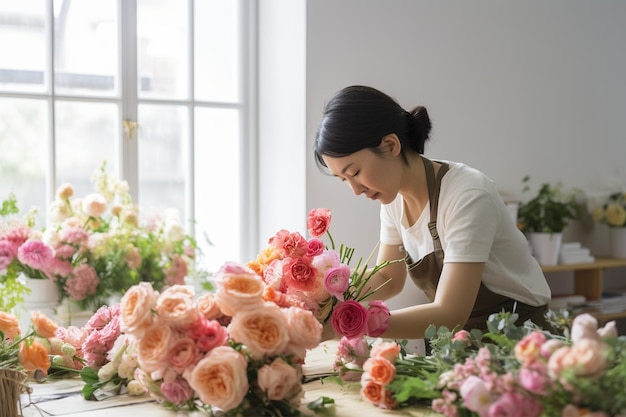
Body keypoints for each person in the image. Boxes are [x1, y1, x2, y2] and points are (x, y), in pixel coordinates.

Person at [314, 85, 554, 340]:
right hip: (461, 342)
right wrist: (321, 296)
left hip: (521, 340)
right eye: (344, 180)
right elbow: (387, 277)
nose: (355, 190)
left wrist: (352, 325)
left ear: (390, 145)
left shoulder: (467, 194)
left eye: (355, 173)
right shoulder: (393, 200)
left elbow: (450, 314)